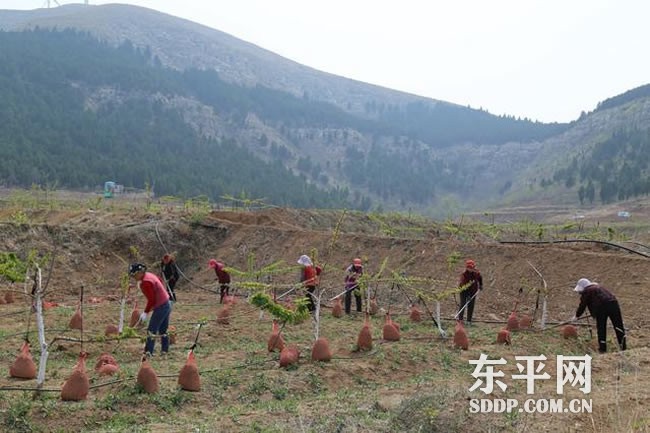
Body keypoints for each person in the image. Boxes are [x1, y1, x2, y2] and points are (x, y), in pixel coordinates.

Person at [571, 278, 626, 353]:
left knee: (601, 328)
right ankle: (623, 347)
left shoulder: (587, 291)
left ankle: (603, 349)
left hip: (601, 307)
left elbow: (582, 305)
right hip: (614, 304)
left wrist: (577, 316)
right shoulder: (599, 288)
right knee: (618, 326)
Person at [128, 263, 172, 356]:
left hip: (161, 306)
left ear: (139, 273)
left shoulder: (145, 282)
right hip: (167, 302)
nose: (133, 277)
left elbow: (151, 300)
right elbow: (159, 281)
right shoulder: (149, 275)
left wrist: (145, 313)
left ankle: (148, 352)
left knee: (152, 329)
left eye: (134, 275)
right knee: (163, 329)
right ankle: (165, 350)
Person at [457, 259, 483, 324]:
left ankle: (469, 321)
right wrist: (468, 295)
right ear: (466, 267)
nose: (471, 269)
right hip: (463, 290)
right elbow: (464, 285)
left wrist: (481, 285)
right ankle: (460, 320)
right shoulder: (464, 275)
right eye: (469, 268)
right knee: (463, 304)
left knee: (471, 305)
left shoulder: (476, 273)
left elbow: (480, 278)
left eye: (472, 267)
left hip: (473, 291)